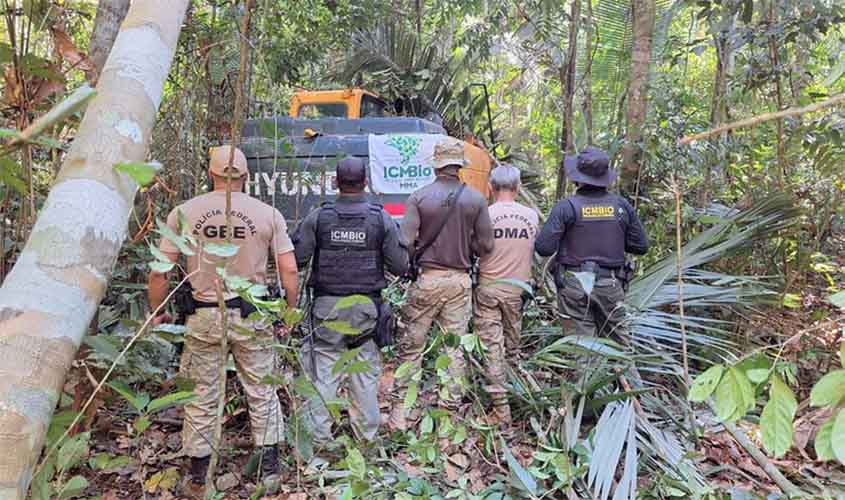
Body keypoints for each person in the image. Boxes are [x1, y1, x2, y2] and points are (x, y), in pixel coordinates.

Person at [147, 145, 299, 490]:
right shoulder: (267, 214)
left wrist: (157, 311)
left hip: (203, 315)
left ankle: (199, 478)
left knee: (202, 394)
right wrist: (289, 311)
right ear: (245, 177)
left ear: (210, 174)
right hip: (253, 316)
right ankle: (270, 472)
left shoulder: (184, 212)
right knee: (261, 389)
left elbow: (160, 273)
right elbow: (288, 268)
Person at [291, 156, 408, 447]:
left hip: (327, 308)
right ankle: (366, 439)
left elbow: (297, 258)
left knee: (325, 375)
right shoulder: (380, 219)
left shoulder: (318, 217)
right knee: (365, 373)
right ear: (365, 182)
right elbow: (400, 266)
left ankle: (319, 441)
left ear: (335, 182)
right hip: (366, 310)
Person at [389, 137, 494, 431]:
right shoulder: (475, 200)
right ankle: (447, 417)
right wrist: (466, 241)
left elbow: (405, 242)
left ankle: (401, 415)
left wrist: (416, 257)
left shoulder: (419, 197)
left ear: (436, 167)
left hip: (428, 279)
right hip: (460, 282)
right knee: (454, 348)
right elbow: (486, 246)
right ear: (459, 167)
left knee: (411, 347)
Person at [534, 146, 649, 341]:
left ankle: (589, 372)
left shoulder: (566, 207)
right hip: (610, 284)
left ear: (577, 177)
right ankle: (623, 372)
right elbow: (640, 246)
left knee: (583, 348)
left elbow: (544, 247)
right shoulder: (621, 206)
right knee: (620, 348)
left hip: (574, 286)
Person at [473, 164, 539, 425]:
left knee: (492, 349)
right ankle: (516, 397)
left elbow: (476, 250)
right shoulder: (531, 216)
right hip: (518, 290)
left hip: (489, 288)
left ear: (491, 187)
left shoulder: (485, 215)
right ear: (518, 187)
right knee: (512, 350)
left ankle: (501, 410)